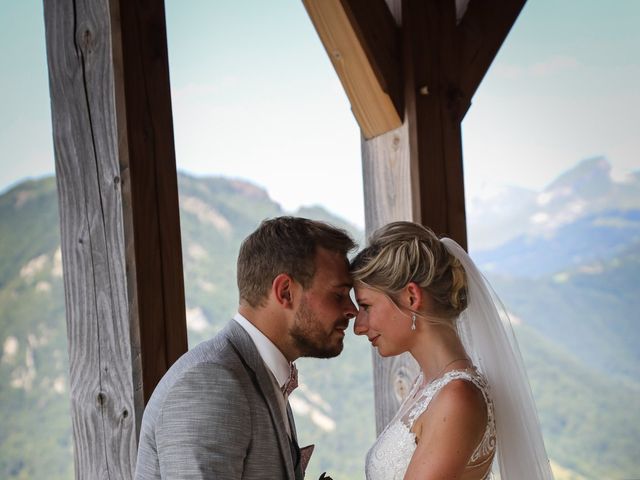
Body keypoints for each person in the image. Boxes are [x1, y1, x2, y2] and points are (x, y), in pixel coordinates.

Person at [135, 216, 358, 479]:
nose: (351, 310)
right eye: (338, 294)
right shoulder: (211, 384)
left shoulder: (259, 373)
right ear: (285, 292)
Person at [350, 221, 554, 480]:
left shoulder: (456, 397)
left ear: (412, 297)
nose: (358, 326)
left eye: (366, 306)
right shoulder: (427, 384)